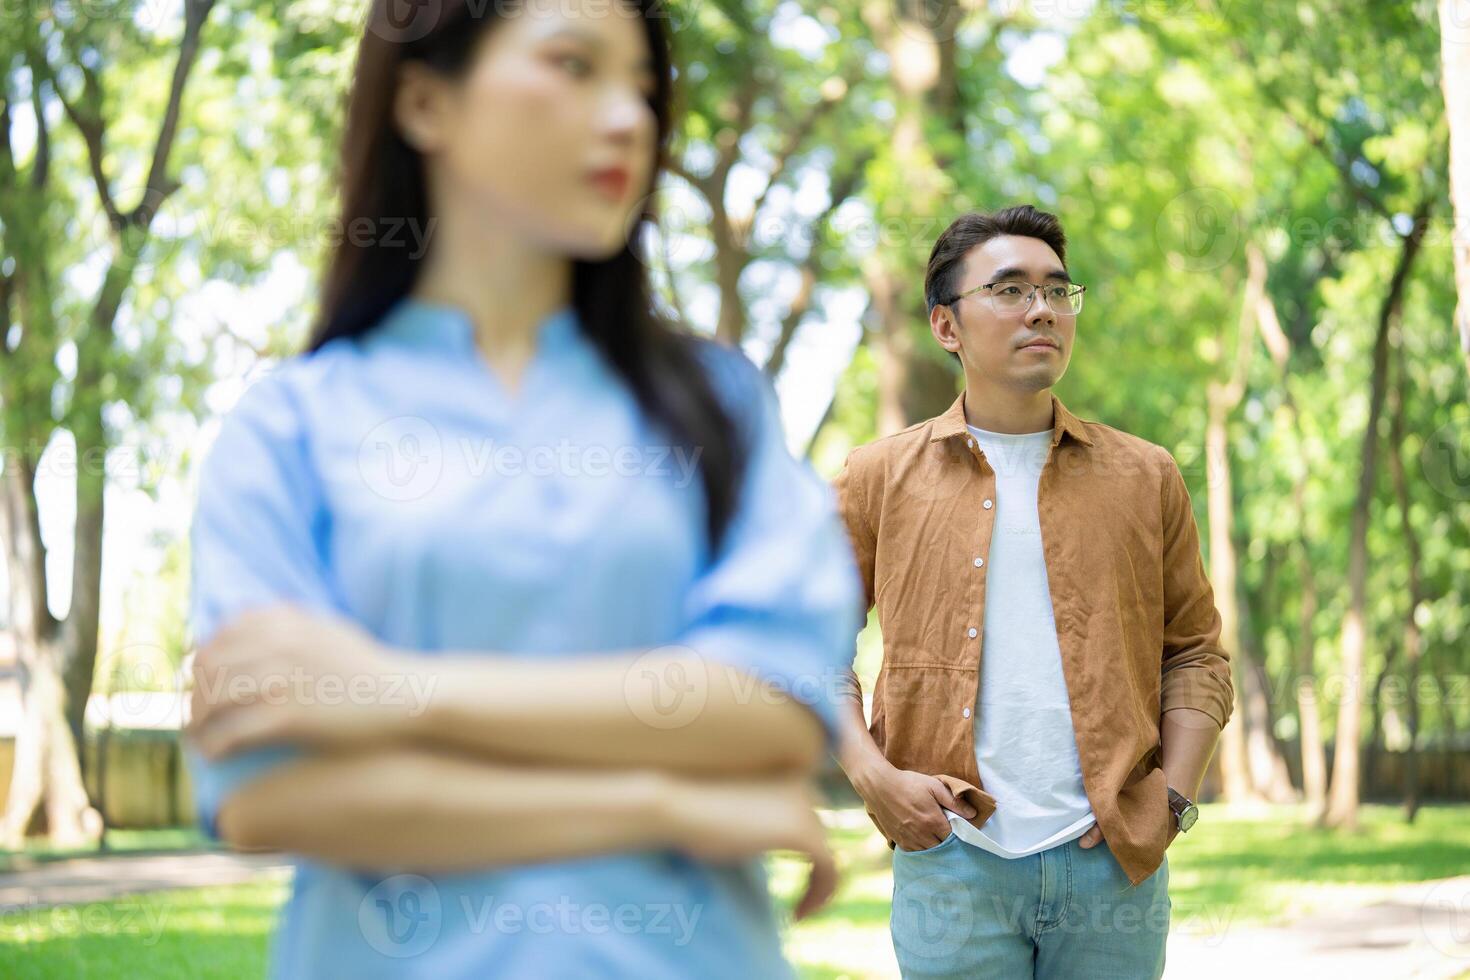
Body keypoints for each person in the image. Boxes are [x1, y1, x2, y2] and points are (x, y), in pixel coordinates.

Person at [182, 1, 862, 976]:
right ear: (424, 100)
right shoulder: (290, 425)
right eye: (575, 65)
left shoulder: (719, 406)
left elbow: (771, 706)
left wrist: (387, 691)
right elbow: (269, 789)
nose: (630, 116)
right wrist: (662, 803)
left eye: (642, 85)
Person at [832, 205, 1234, 978]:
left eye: (1056, 290)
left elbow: (1195, 656)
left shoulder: (1144, 476)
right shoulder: (874, 477)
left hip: (1112, 864)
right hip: (953, 860)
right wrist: (874, 778)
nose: (1042, 309)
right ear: (947, 326)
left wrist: (1173, 804)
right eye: (1010, 290)